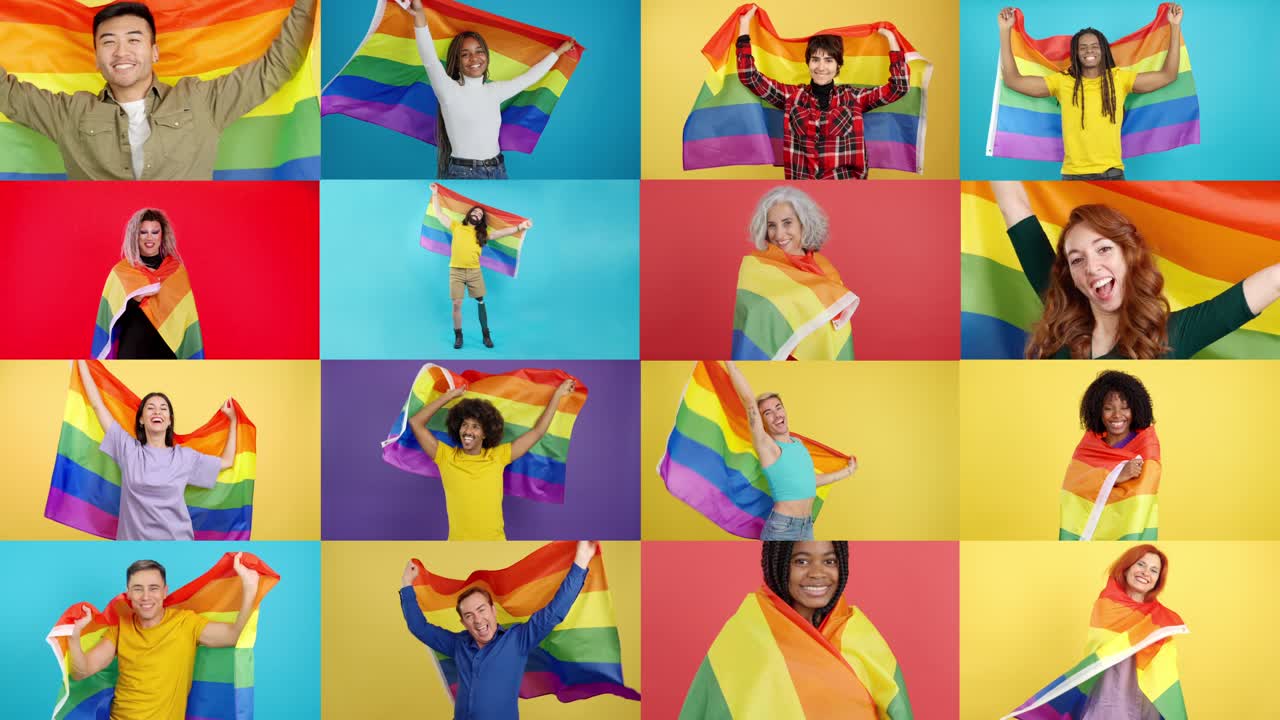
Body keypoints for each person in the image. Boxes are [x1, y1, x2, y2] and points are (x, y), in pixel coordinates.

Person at [0, 0, 316, 180]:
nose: (121, 52)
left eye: (134, 40)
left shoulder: (200, 101)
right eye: (109, 42)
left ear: (154, 52)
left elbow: (276, 67)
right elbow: (7, 93)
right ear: (96, 57)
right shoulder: (69, 114)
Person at [992, 180, 1280, 359]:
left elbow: (1273, 281)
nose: (1092, 267)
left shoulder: (1173, 335)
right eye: (1077, 259)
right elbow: (1013, 206)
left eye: (1103, 249)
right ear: (1071, 276)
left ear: (1128, 257)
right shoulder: (1061, 309)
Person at [680, 541, 913, 719]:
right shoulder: (746, 634)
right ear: (778, 563)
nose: (817, 573)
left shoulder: (861, 636)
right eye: (801, 561)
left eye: (829, 561)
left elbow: (899, 711)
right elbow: (707, 707)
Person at [399, 540, 597, 719]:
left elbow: (554, 612)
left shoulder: (518, 640)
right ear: (463, 622)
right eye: (469, 615)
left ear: (493, 611)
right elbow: (419, 627)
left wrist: (581, 561)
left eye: (481, 610)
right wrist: (407, 584)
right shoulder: (458, 645)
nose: (478, 620)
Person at [997, 5, 1184, 180]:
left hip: (1112, 174)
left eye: (1095, 46)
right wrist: (1005, 31)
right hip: (1072, 176)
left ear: (1103, 50)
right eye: (1083, 47)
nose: (1089, 51)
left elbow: (1168, 75)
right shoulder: (1062, 81)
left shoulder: (1119, 79)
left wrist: (1174, 27)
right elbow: (1013, 81)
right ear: (1076, 53)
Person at [67, 555, 260, 719]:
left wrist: (249, 590)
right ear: (128, 594)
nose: (145, 596)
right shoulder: (119, 630)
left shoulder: (185, 623)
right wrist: (74, 636)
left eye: (153, 588)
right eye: (137, 589)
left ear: (164, 592)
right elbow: (81, 672)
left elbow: (233, 636)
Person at [397, 0, 574, 179]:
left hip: (498, 169)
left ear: (487, 57)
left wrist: (558, 53)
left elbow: (528, 79)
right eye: (465, 54)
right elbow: (429, 59)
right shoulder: (448, 90)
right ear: (457, 62)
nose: (474, 58)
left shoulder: (495, 91)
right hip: (464, 172)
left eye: (479, 51)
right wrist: (419, 15)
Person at [735, 5, 908, 179]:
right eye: (815, 59)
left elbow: (899, 87)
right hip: (804, 191)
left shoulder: (853, 98)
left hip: (846, 190)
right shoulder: (792, 96)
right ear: (808, 63)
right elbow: (750, 77)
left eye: (829, 60)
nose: (821, 67)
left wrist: (891, 39)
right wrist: (744, 26)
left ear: (838, 65)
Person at [76, 359, 236, 540]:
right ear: (142, 419)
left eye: (163, 409)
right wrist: (80, 361)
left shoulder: (184, 457)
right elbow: (98, 406)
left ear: (169, 421)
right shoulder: (128, 450)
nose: (157, 412)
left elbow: (227, 461)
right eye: (150, 408)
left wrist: (233, 421)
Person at [407, 377, 576, 540]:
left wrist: (557, 395)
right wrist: (449, 396)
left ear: (485, 433)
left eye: (475, 427)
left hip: (495, 543)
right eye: (464, 424)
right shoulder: (445, 456)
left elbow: (537, 432)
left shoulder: (498, 457)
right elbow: (416, 422)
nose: (467, 431)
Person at [724, 361, 856, 540]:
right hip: (782, 529)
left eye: (778, 408)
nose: (777, 415)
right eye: (768, 413)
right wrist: (730, 365)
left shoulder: (798, 444)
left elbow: (809, 481)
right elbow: (749, 403)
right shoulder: (767, 446)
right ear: (762, 421)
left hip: (806, 527)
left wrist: (847, 471)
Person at [732, 186, 858, 361]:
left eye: (787, 223)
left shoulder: (825, 269)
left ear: (803, 222)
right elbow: (753, 321)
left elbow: (836, 331)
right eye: (772, 226)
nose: (779, 234)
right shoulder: (755, 268)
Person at [429, 183, 530, 349]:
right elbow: (439, 213)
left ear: (481, 220)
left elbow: (501, 233)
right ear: (469, 214)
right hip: (456, 271)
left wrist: (520, 227)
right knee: (456, 304)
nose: (477, 213)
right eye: (475, 211)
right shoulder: (457, 226)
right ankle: (458, 336)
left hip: (475, 272)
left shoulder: (482, 234)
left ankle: (486, 335)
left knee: (481, 301)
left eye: (480, 214)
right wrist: (435, 194)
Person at [99, 208, 195, 359]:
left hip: (167, 352)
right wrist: (136, 299)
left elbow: (186, 319)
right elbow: (111, 320)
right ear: (135, 236)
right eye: (143, 232)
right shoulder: (122, 272)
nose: (149, 238)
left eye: (155, 232)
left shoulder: (176, 272)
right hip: (133, 351)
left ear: (162, 236)